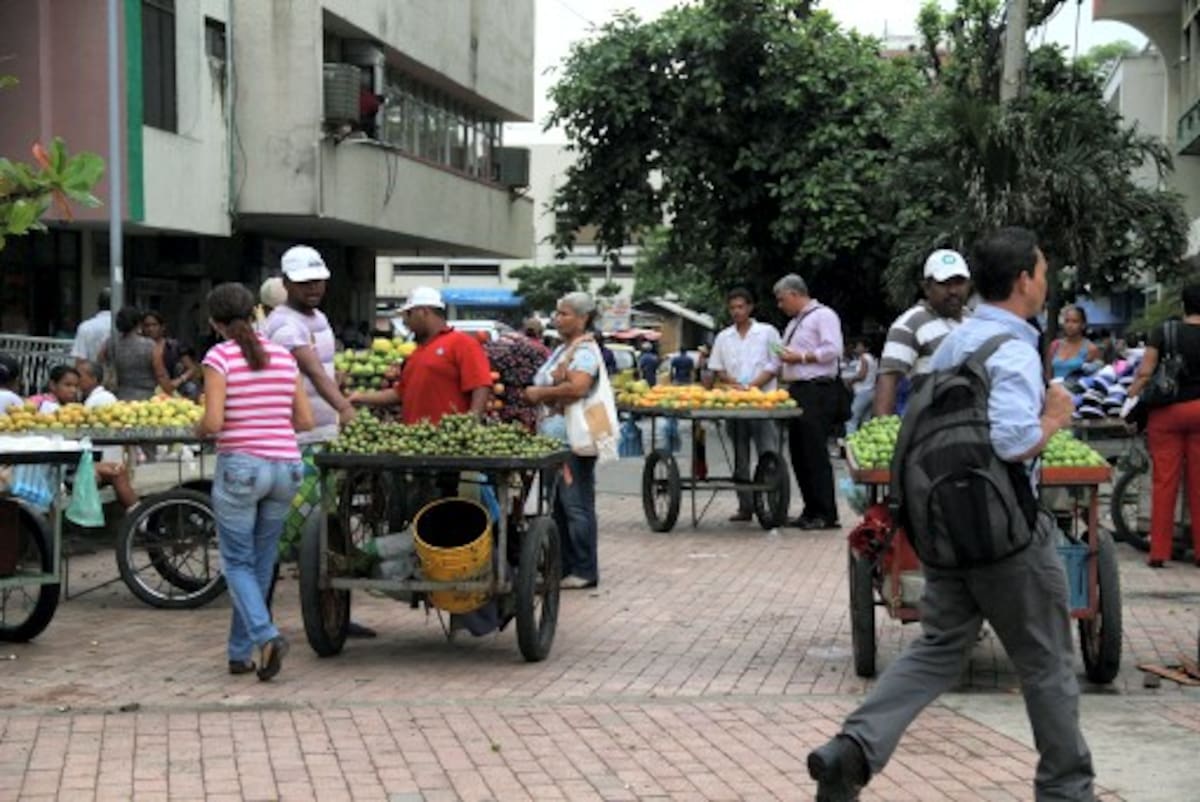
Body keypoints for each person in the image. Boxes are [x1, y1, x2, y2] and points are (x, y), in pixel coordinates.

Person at [808, 227, 1094, 802]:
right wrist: (1056, 418)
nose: (1045, 280)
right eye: (1041, 270)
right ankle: (1067, 791)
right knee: (1047, 663)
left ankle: (854, 748)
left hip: (946, 528)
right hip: (1008, 534)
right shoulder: (1010, 348)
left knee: (940, 646)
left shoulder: (958, 343)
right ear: (1023, 281)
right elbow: (1015, 441)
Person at [198, 282, 312, 681]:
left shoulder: (219, 357)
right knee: (260, 563)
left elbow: (213, 422)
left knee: (236, 563)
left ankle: (265, 635)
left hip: (242, 468)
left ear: (215, 322)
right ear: (254, 314)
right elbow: (305, 421)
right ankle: (240, 652)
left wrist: (198, 429)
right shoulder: (283, 357)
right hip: (286, 466)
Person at [263, 246, 357, 561]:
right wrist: (345, 408)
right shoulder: (284, 324)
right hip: (299, 436)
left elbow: (324, 368)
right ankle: (265, 567)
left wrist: (340, 386)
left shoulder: (319, 318)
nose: (313, 288)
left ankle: (318, 578)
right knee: (297, 513)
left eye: (318, 281)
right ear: (286, 283)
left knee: (323, 512)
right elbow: (313, 371)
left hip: (324, 432)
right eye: (305, 282)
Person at [522, 292, 605, 589]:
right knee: (559, 506)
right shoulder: (563, 349)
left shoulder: (584, 351)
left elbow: (578, 388)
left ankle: (584, 570)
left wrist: (540, 394)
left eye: (565, 314)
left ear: (583, 319)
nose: (558, 319)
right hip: (556, 440)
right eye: (557, 313)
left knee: (576, 505)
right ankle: (566, 566)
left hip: (573, 441)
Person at [1128, 282, 1200, 568]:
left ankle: (1159, 551)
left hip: (1167, 414)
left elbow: (1146, 371)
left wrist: (1132, 394)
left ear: (1183, 305)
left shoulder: (1165, 331)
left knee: (1164, 482)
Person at [349, 286, 492, 424]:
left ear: (423, 312)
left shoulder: (462, 343)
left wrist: (472, 422)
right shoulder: (416, 353)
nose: (405, 322)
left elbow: (481, 384)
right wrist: (360, 397)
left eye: (408, 314)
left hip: (447, 438)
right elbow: (400, 393)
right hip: (416, 440)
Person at [774, 274, 843, 530]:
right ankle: (810, 509)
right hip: (797, 391)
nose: (780, 305)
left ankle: (826, 512)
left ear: (794, 294)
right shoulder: (795, 324)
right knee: (799, 452)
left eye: (782, 300)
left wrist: (802, 357)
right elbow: (780, 357)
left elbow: (832, 349)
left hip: (818, 390)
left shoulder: (823, 316)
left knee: (814, 451)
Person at [706, 288, 782, 522]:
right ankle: (745, 506)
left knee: (768, 453)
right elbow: (718, 368)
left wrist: (754, 387)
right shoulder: (723, 337)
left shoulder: (768, 332)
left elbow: (776, 363)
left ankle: (773, 505)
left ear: (750, 308)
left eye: (741, 307)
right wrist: (735, 384)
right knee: (740, 458)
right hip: (734, 403)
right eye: (733, 308)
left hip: (763, 402)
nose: (737, 311)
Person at [873, 249, 972, 418]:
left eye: (959, 282)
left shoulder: (975, 320)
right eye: (945, 283)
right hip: (931, 431)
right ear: (926, 287)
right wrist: (885, 433)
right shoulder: (910, 324)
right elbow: (888, 380)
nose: (953, 291)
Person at [34, 364, 138, 510]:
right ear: (52, 385)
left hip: (70, 464)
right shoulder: (51, 409)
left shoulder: (67, 408)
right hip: (59, 471)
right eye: (67, 385)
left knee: (117, 470)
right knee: (116, 471)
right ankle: (139, 517)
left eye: (75, 386)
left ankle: (137, 514)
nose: (73, 390)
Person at [100, 306, 160, 401]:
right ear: (138, 324)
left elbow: (100, 360)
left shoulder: (111, 342)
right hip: (146, 396)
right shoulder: (149, 345)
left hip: (120, 394)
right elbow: (160, 372)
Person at [142, 310, 199, 397]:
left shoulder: (174, 346)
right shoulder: (140, 348)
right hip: (149, 387)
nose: (150, 329)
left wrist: (179, 380)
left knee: (191, 388)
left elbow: (192, 369)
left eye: (154, 325)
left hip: (173, 386)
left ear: (162, 327)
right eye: (147, 326)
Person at [1045, 305, 1101, 381]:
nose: (1070, 325)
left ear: (1083, 325)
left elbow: (1094, 377)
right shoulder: (1055, 345)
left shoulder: (1091, 349)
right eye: (1067, 321)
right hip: (1054, 390)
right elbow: (1048, 375)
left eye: (1075, 321)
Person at [844, 336, 878, 435]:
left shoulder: (864, 357)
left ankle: (850, 442)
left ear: (866, 348)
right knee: (866, 420)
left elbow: (862, 375)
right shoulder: (872, 358)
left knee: (851, 419)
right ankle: (865, 440)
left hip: (863, 391)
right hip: (871, 390)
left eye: (859, 346)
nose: (857, 348)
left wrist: (850, 381)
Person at [71, 289, 112, 367]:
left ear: (98, 304)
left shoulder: (85, 327)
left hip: (92, 375)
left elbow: (80, 360)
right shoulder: (121, 327)